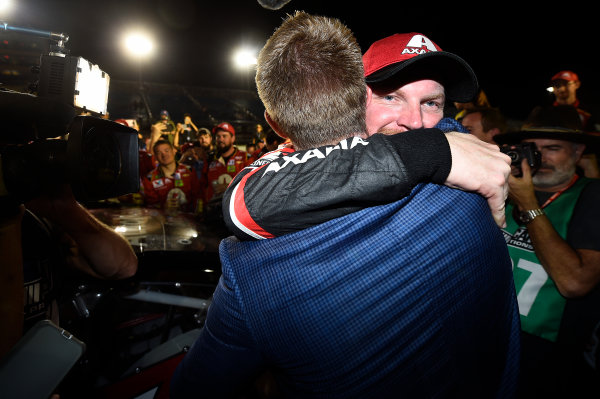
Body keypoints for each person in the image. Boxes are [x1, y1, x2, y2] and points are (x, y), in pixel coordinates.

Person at [170, 12, 519, 399]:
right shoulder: (450, 151)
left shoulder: (463, 151)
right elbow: (248, 199)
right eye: (391, 96)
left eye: (433, 102)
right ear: (355, 98)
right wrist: (432, 152)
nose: (416, 121)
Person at [494, 106, 600, 398]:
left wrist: (528, 204)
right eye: (532, 149)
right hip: (485, 332)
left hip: (542, 355)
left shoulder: (591, 196)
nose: (540, 158)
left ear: (578, 153)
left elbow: (575, 282)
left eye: (552, 148)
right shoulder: (502, 189)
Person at [141, 139, 203, 215]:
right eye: (159, 153)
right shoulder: (149, 178)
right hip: (163, 223)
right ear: (155, 157)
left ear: (174, 151)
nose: (164, 155)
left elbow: (199, 196)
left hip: (189, 221)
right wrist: (163, 207)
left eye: (167, 151)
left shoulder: (189, 170)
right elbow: (149, 207)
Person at [204, 122, 247, 204]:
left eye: (224, 136)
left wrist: (229, 187)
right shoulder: (209, 159)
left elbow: (253, 185)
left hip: (236, 209)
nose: (221, 139)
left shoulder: (245, 158)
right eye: (218, 136)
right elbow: (203, 186)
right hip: (213, 209)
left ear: (233, 138)